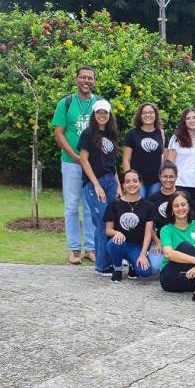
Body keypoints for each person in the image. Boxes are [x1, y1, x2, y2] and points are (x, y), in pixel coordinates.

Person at [52, 66, 98, 265]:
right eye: (82, 77)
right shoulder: (66, 103)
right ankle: (74, 249)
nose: (86, 81)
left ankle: (90, 247)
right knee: (71, 206)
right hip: (71, 162)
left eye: (90, 78)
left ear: (94, 81)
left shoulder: (99, 103)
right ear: (76, 79)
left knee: (90, 206)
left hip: (93, 164)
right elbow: (59, 133)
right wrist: (75, 155)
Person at [78, 99, 121, 275]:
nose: (102, 115)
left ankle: (107, 259)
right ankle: (102, 265)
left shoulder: (111, 134)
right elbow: (83, 159)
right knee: (104, 220)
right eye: (99, 112)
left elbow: (113, 163)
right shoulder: (88, 134)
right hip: (94, 183)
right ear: (94, 115)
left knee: (108, 221)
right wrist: (96, 184)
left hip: (111, 180)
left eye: (105, 113)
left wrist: (118, 184)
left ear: (109, 115)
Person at [104, 169, 161, 282]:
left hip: (136, 247)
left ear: (140, 184)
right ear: (123, 185)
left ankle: (132, 264)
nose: (131, 184)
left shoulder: (149, 206)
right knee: (117, 241)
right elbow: (108, 230)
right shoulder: (114, 204)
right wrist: (117, 233)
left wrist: (143, 254)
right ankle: (117, 268)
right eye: (128, 181)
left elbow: (148, 233)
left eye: (135, 181)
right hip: (119, 243)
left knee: (145, 272)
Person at [122, 103, 166, 198]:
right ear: (140, 116)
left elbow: (165, 159)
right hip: (137, 181)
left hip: (156, 181)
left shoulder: (162, 134)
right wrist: (129, 179)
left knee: (153, 209)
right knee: (138, 209)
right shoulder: (131, 134)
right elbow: (126, 159)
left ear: (155, 115)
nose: (148, 115)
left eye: (151, 112)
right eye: (144, 113)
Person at [166, 107, 195, 201]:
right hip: (179, 183)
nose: (192, 120)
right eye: (188, 118)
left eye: (194, 118)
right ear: (184, 121)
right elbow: (170, 163)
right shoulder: (176, 138)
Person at [148, 162, 178, 260]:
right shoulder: (153, 198)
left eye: (171, 177)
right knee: (155, 267)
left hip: (180, 237)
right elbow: (149, 226)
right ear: (160, 177)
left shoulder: (182, 195)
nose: (168, 180)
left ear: (176, 177)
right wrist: (157, 241)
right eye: (165, 176)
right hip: (160, 239)